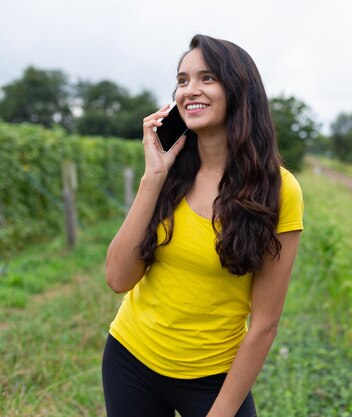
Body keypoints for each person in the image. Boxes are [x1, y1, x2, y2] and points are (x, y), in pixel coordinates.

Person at [101, 34, 303, 417]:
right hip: (131, 359)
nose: (189, 90)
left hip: (215, 377)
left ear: (239, 90)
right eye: (182, 80)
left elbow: (264, 324)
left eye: (207, 78)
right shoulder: (169, 173)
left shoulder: (278, 190)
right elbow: (117, 278)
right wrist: (153, 177)